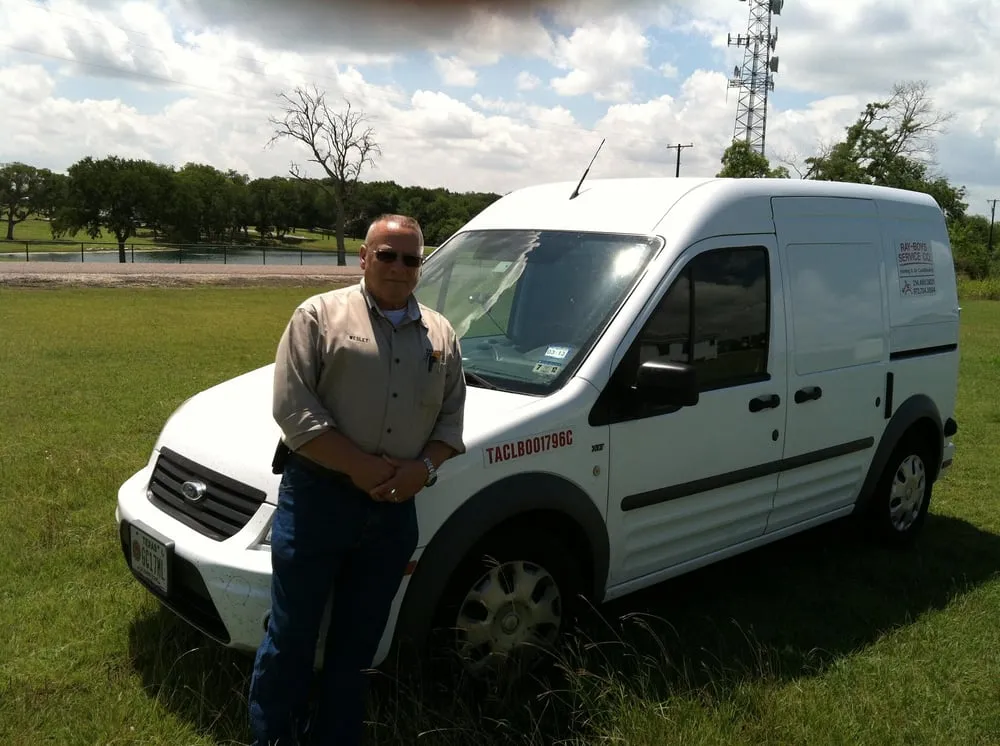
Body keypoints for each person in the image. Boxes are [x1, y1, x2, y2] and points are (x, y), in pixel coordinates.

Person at [247, 214, 467, 745]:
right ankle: (274, 737)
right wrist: (359, 465)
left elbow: (450, 422)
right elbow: (294, 411)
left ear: (421, 266)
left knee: (357, 644)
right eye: (386, 255)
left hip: (394, 511)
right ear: (363, 258)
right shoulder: (318, 315)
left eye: (410, 258)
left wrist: (425, 469)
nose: (398, 266)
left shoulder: (440, 333)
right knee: (292, 635)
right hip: (319, 498)